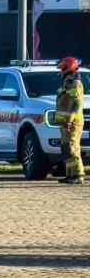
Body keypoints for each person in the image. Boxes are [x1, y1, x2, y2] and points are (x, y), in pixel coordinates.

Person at [56, 55, 83, 185]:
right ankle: (70, 175)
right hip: (65, 123)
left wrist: (70, 120)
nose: (61, 70)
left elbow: (76, 104)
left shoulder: (75, 83)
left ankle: (78, 175)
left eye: (63, 67)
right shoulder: (66, 83)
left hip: (72, 122)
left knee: (73, 148)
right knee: (66, 149)